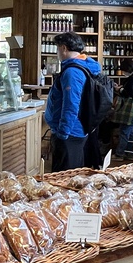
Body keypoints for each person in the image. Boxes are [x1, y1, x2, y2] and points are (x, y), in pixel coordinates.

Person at [44, 32, 103, 172]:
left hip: (70, 132)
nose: (57, 52)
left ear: (63, 48)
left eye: (57, 48)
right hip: (77, 129)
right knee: (72, 173)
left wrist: (63, 133)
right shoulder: (83, 66)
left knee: (64, 177)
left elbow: (71, 105)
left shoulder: (72, 72)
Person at [106, 59, 133, 159]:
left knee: (124, 131)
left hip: (132, 108)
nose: (123, 72)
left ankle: (120, 153)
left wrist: (119, 89)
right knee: (130, 131)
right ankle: (130, 152)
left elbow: (131, 93)